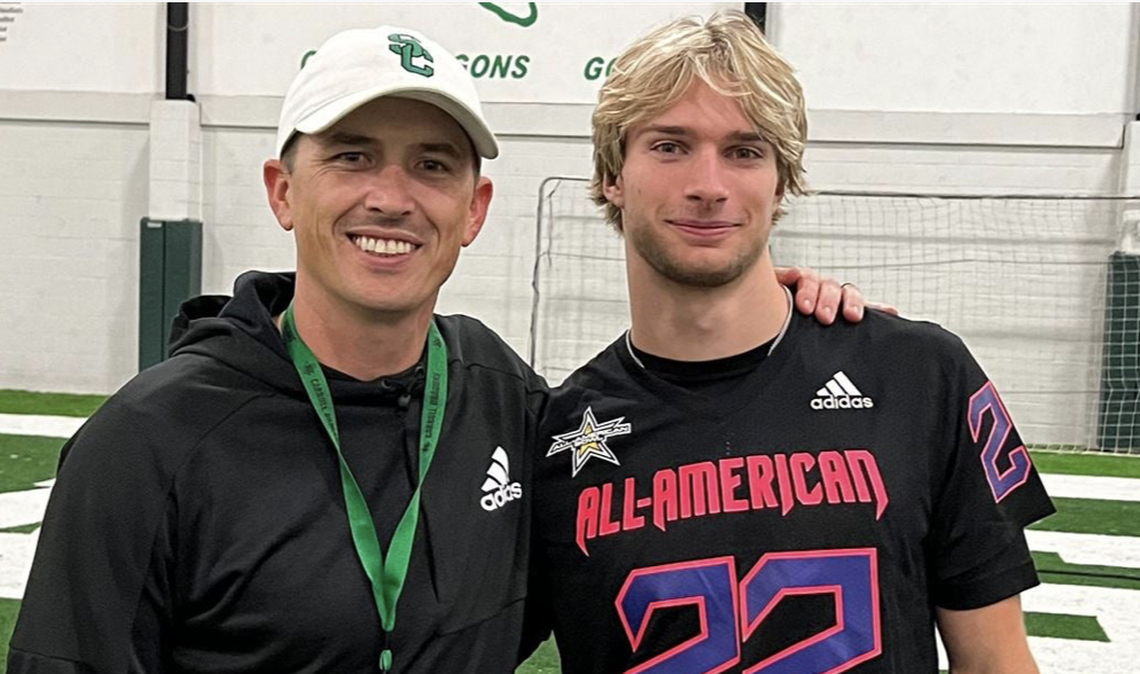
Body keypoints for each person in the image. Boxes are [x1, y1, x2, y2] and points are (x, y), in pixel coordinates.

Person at [8, 23, 868, 674]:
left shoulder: (510, 402)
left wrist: (788, 322)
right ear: (282, 191)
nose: (392, 197)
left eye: (431, 165)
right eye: (353, 157)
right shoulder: (148, 443)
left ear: (474, 209)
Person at [530, 11, 1054, 674]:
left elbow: (996, 661)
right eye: (669, 146)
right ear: (613, 174)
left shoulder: (917, 375)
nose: (708, 186)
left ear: (780, 181)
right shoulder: (551, 435)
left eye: (744, 152)